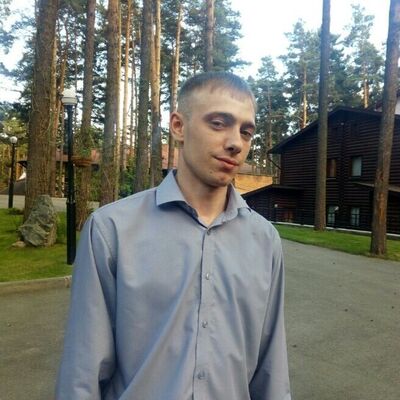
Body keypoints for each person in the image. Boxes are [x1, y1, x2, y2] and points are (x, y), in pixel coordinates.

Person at [56, 71, 291, 400]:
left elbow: (271, 367)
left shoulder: (265, 241)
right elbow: (83, 370)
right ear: (179, 126)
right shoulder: (111, 231)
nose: (236, 143)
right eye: (218, 123)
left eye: (246, 131)